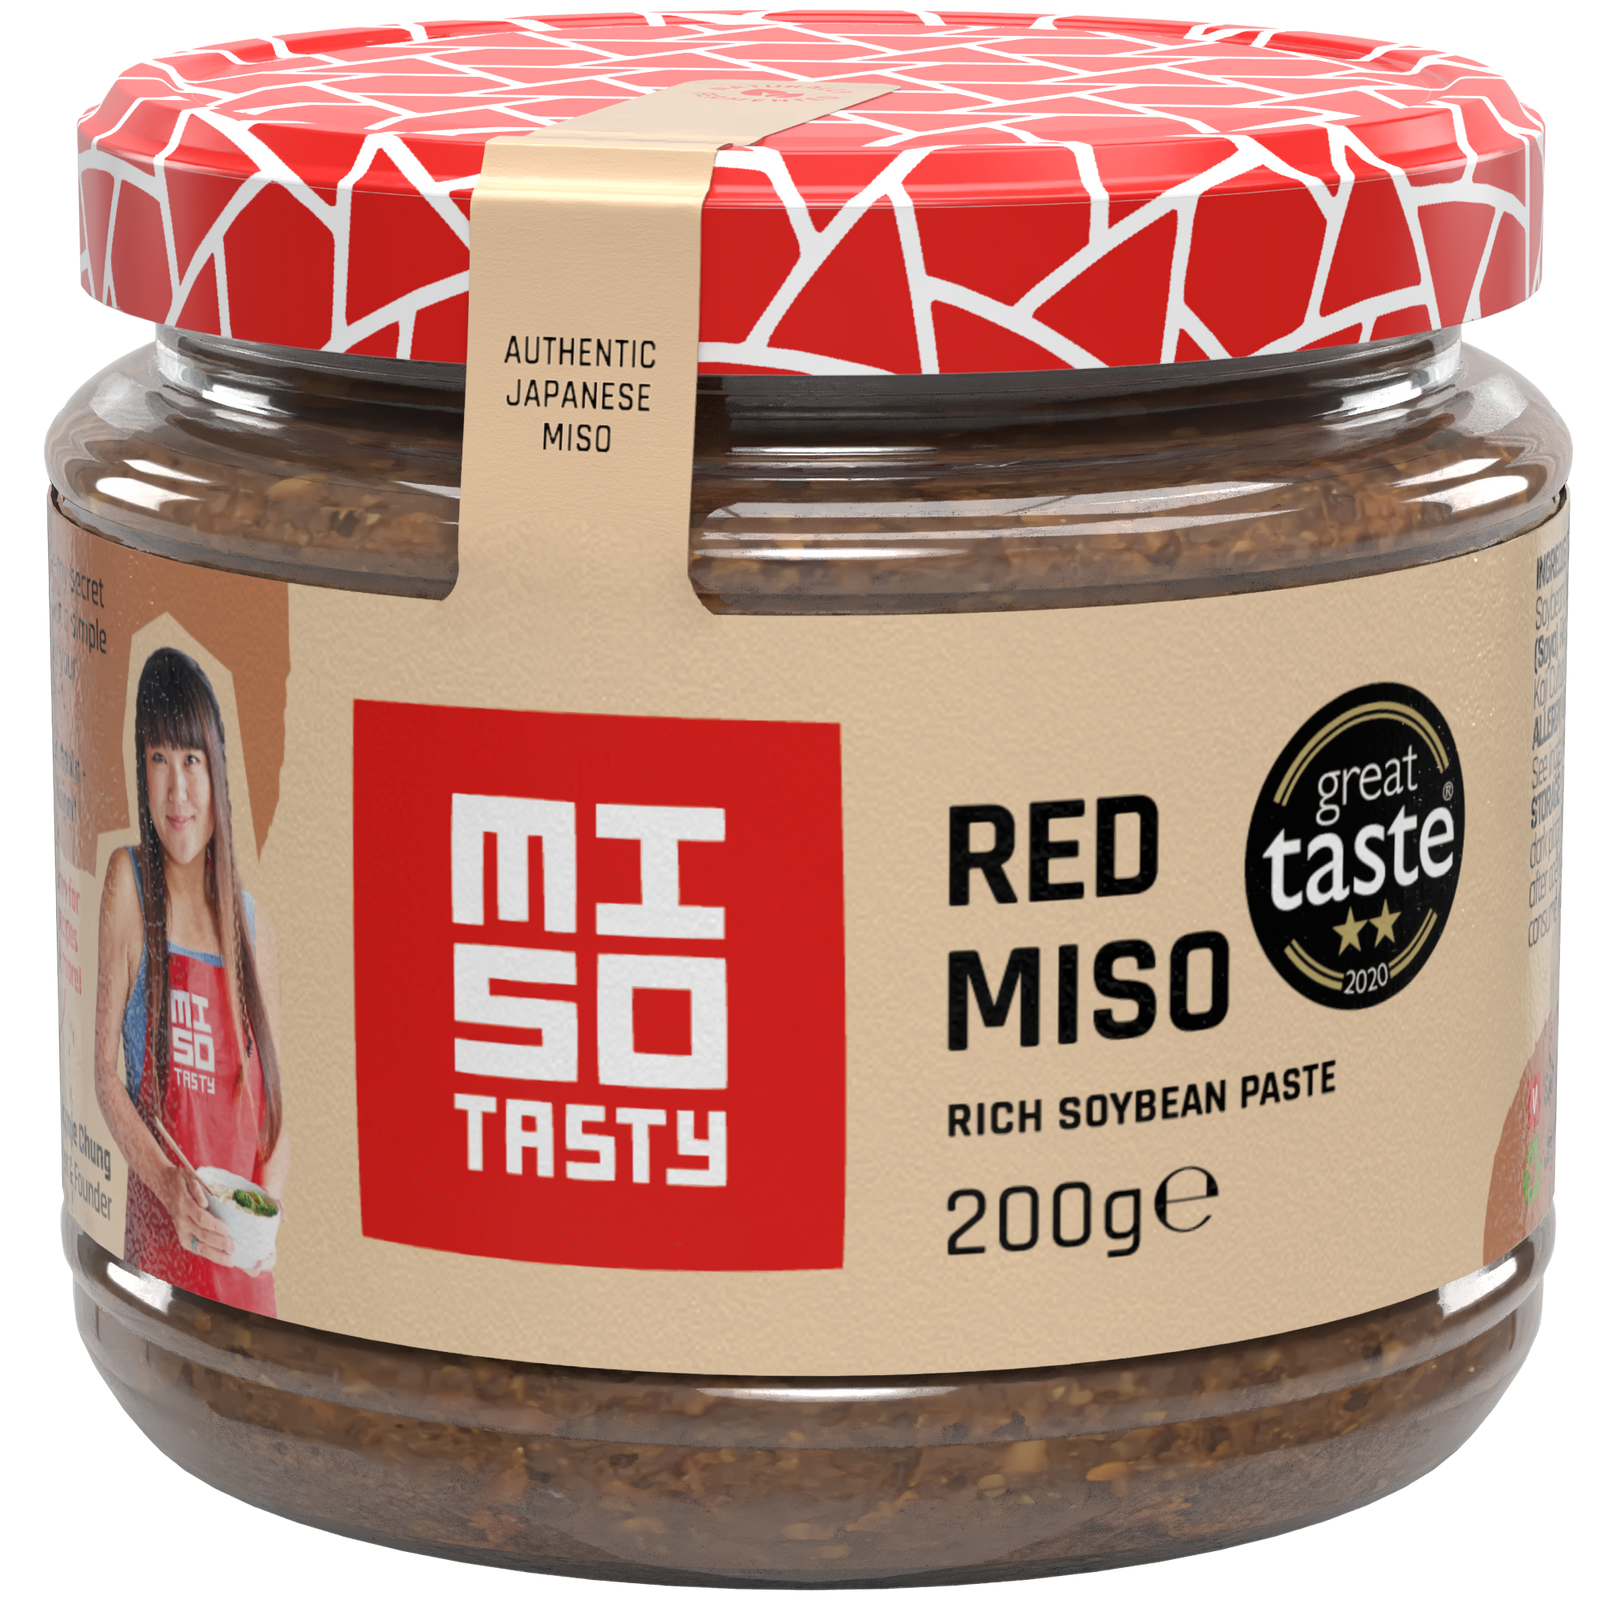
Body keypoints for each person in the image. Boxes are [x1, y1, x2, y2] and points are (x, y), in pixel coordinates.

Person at [94, 648, 288, 1314]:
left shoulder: (253, 927)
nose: (177, 790)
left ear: (217, 771)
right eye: (158, 758)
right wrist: (166, 1181)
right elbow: (104, 1076)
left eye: (192, 760)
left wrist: (263, 1220)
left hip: (248, 1294)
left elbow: (274, 1126)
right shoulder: (129, 884)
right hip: (159, 1276)